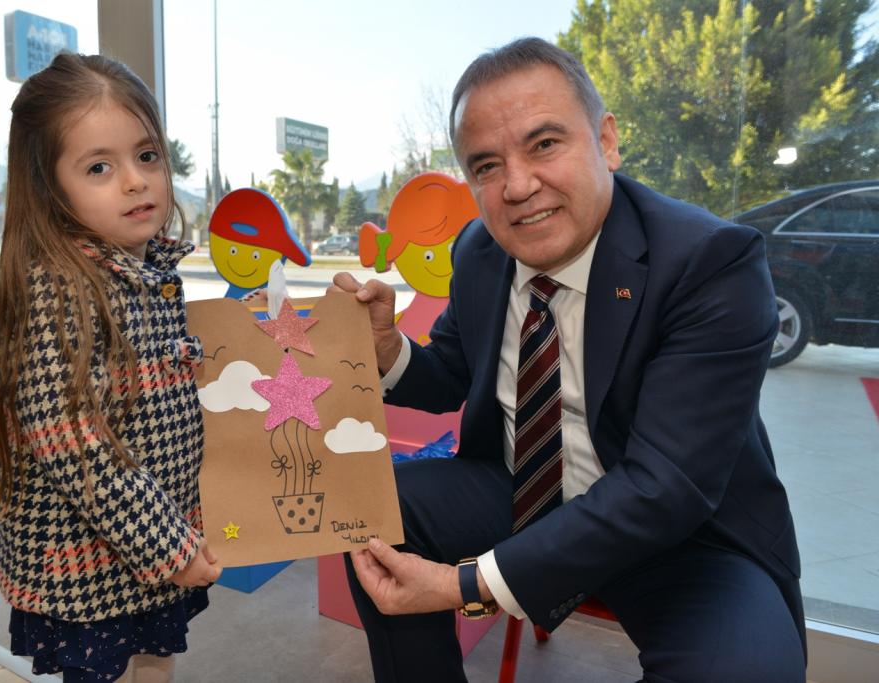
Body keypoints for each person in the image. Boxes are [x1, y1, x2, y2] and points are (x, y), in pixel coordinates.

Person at [333, 37, 805, 682]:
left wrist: (463, 585)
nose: (518, 186)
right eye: (487, 166)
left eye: (545, 144)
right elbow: (451, 372)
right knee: (375, 511)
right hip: (519, 492)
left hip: (683, 537)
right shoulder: (479, 249)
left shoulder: (710, 262)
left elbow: (665, 487)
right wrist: (389, 350)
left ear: (606, 141)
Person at [0, 53, 220, 682]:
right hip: (88, 566)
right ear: (49, 189)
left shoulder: (144, 271)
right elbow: (77, 449)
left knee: (155, 660)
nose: (135, 181)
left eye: (147, 155)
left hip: (151, 546)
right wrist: (167, 545)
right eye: (99, 167)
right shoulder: (57, 291)